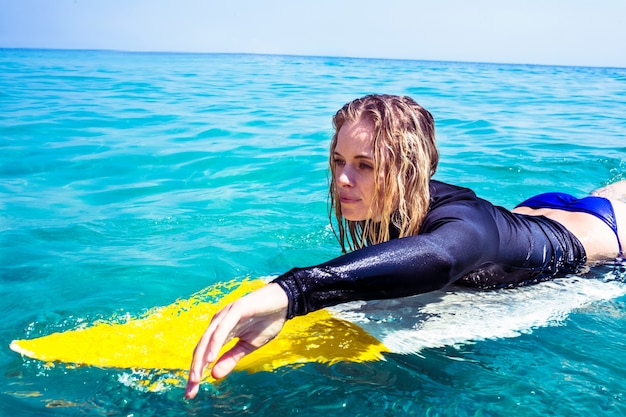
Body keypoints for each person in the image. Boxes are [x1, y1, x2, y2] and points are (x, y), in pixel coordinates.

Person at [184, 94, 626, 399]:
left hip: (608, 233)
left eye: (364, 165)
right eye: (338, 161)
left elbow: (442, 257)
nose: (342, 179)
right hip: (536, 213)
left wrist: (293, 292)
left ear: (408, 169)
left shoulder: (464, 228)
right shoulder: (406, 203)